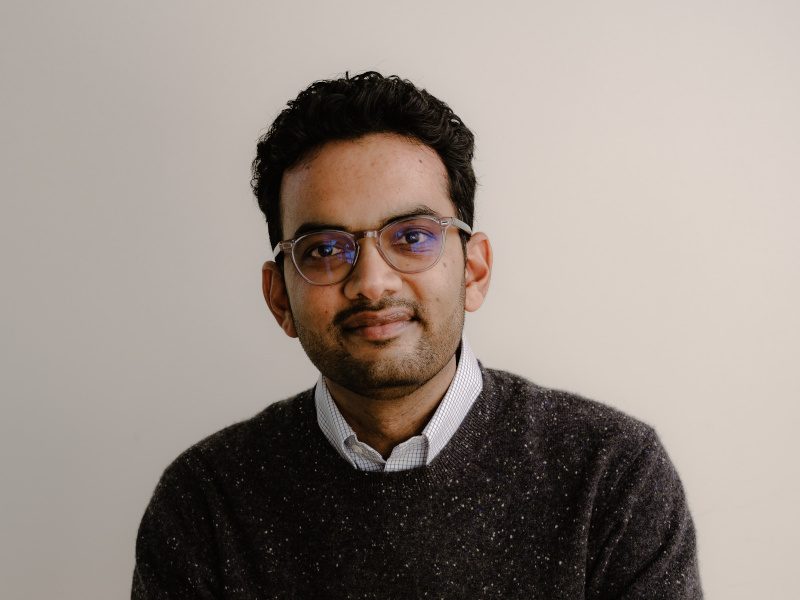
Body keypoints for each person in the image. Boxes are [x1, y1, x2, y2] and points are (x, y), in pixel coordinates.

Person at [132, 71, 702, 598]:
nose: (372, 283)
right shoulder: (205, 503)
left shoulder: (612, 475)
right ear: (280, 296)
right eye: (326, 250)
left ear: (473, 270)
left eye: (412, 237)